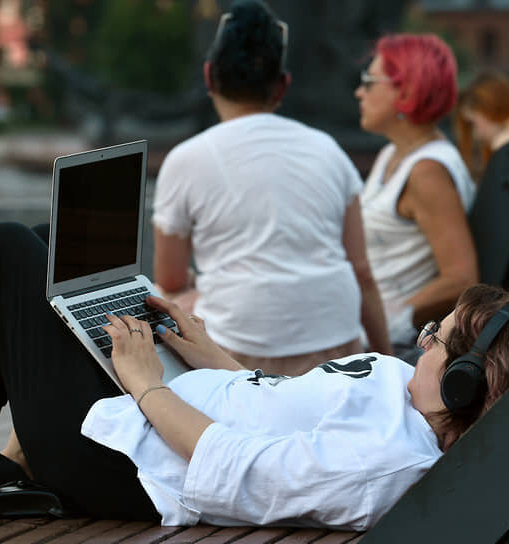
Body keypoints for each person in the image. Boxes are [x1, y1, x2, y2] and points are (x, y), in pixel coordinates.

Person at [0, 220, 509, 528]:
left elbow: (233, 468)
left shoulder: (381, 460)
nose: (424, 338)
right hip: (153, 413)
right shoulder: (406, 403)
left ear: (467, 385)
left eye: (439, 340)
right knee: (51, 248)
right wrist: (208, 352)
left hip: (122, 463)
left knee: (5, 250)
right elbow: (278, 407)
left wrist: (144, 383)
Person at [152, 0, 391, 376]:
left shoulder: (185, 160)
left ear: (209, 75)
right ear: (282, 86)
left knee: (167, 299)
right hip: (336, 351)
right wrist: (386, 361)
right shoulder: (328, 150)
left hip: (238, 354)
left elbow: (169, 280)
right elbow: (360, 271)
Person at [354, 34, 479, 353]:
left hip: (389, 346)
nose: (359, 92)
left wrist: (382, 322)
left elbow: (461, 278)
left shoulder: (427, 171)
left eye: (369, 82)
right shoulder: (392, 155)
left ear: (405, 91)